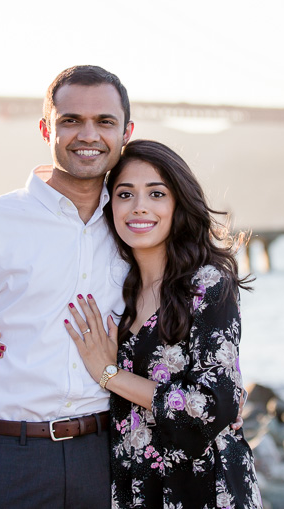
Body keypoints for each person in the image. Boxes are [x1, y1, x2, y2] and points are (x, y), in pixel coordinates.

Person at [0, 65, 134, 508]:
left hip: (106, 459)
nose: (88, 135)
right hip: (6, 461)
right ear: (45, 128)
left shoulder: (134, 227)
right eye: (71, 120)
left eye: (104, 122)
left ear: (126, 132)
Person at [63, 140, 263, 508]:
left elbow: (210, 407)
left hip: (205, 489)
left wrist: (110, 375)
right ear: (111, 208)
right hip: (136, 485)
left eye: (156, 193)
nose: (140, 206)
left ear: (177, 204)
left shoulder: (208, 285)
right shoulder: (114, 292)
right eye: (125, 194)